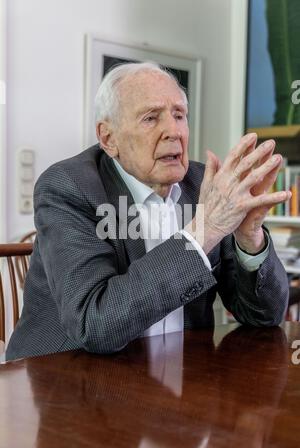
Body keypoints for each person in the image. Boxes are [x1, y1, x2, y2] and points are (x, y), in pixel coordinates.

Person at [6, 62, 290, 361]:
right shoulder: (69, 187)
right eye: (151, 118)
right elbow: (95, 324)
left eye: (179, 115)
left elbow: (265, 316)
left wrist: (250, 240)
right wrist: (204, 231)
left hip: (179, 379)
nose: (174, 131)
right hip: (70, 380)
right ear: (108, 139)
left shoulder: (202, 185)